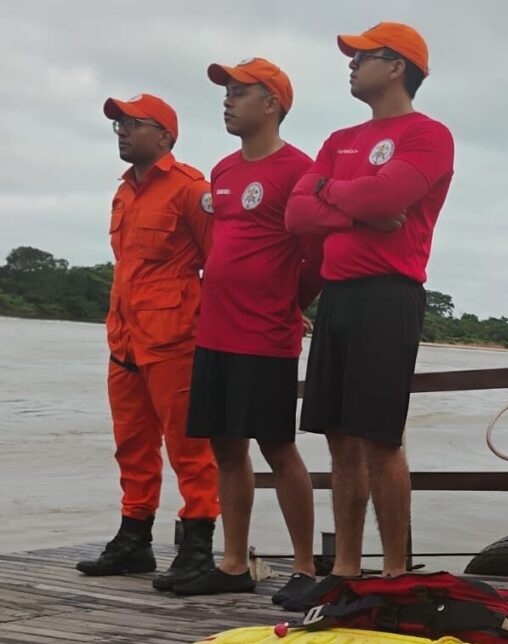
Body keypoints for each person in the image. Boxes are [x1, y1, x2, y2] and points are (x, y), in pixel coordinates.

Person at [283, 21, 454, 605]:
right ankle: (348, 571)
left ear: (398, 66)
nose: (351, 64)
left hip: (389, 293)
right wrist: (356, 212)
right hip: (339, 295)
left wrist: (334, 194)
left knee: (381, 437)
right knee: (337, 436)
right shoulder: (338, 138)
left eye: (363, 56)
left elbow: (386, 199)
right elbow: (295, 214)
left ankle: (395, 573)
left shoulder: (429, 136)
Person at [171, 58, 322, 603]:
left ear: (272, 104)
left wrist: (289, 301)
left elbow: (317, 256)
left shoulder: (299, 170)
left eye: (240, 91)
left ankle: (305, 566)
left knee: (278, 447)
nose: (227, 100)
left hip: (266, 335)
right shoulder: (223, 170)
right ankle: (233, 563)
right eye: (226, 92)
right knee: (225, 449)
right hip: (214, 332)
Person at [77, 94, 220, 590]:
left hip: (176, 338)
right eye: (117, 123)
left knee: (189, 446)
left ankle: (198, 547)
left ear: (164, 134)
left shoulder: (191, 190)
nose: (120, 130)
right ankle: (134, 541)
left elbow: (217, 263)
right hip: (124, 338)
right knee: (131, 444)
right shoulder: (123, 193)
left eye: (132, 123)